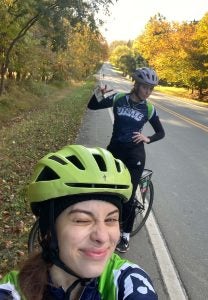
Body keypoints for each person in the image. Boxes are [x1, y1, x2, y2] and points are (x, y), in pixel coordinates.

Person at [0, 144, 158, 299]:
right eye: (82, 220)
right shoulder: (13, 291)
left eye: (111, 219)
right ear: (49, 228)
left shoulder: (128, 282)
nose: (102, 237)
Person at [88, 67, 165, 253]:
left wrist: (147, 138)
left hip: (134, 156)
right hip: (114, 151)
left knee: (128, 197)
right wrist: (99, 93)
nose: (148, 91)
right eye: (145, 87)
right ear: (137, 84)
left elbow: (161, 132)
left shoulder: (148, 108)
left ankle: (125, 235)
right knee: (105, 188)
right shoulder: (118, 99)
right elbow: (92, 105)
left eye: (151, 89)